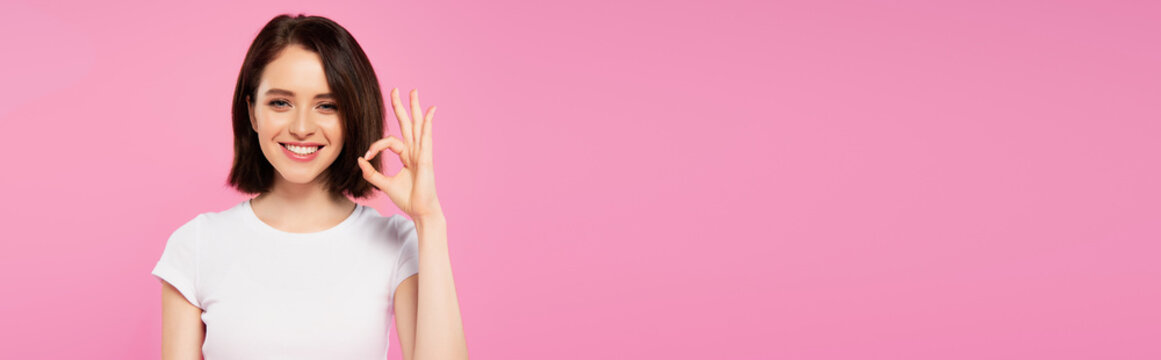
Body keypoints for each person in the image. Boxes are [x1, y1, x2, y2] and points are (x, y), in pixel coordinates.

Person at [150, 14, 468, 359]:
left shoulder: (395, 243)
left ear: (353, 116)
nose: (302, 127)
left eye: (327, 105)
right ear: (253, 113)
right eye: (280, 103)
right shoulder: (196, 246)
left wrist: (429, 220)